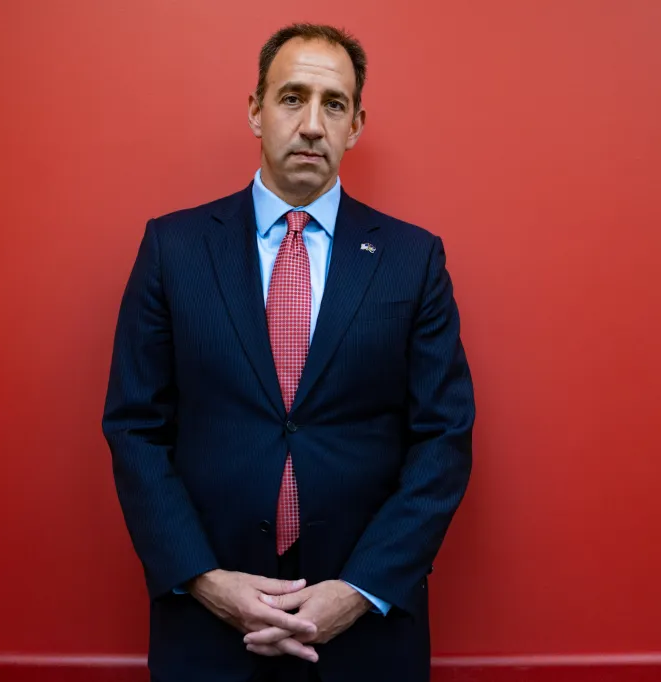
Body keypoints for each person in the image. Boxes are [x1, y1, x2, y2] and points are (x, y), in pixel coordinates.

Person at [102, 22, 474, 682]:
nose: (311, 125)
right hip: (208, 629)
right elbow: (135, 428)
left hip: (365, 634)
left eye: (333, 105)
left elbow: (444, 438)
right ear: (255, 110)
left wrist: (359, 591)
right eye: (291, 97)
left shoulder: (413, 260)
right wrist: (205, 580)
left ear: (357, 124)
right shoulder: (174, 249)